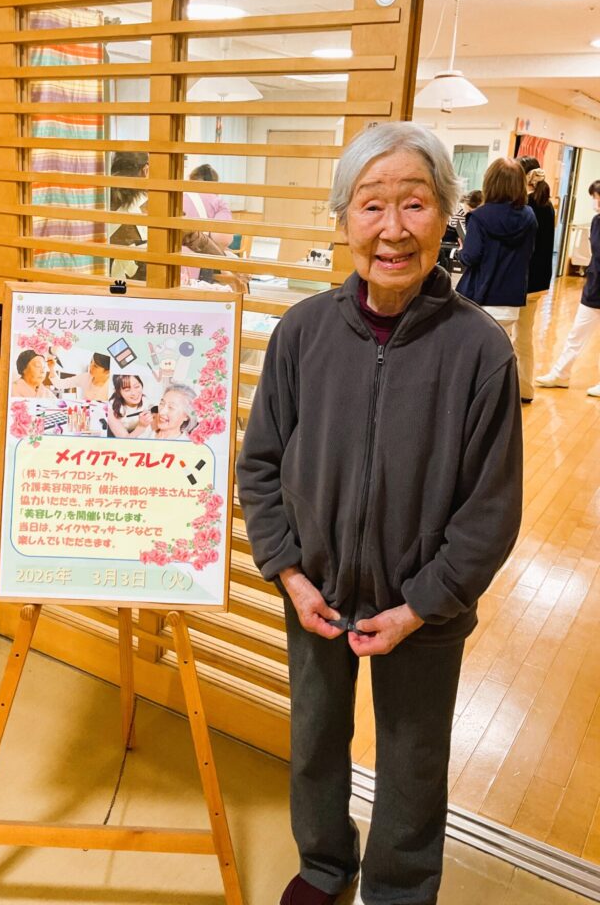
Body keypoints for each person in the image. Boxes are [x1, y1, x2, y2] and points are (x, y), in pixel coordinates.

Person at [236, 122, 523, 905]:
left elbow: (491, 510)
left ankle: (399, 891)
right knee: (313, 739)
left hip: (426, 607)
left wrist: (421, 604)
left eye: (415, 203)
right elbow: (259, 465)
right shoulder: (302, 332)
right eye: (371, 205)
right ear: (343, 220)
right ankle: (324, 866)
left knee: (413, 760)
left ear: (446, 217)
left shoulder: (481, 351)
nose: (393, 229)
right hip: (315, 592)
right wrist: (290, 573)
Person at [456, 158, 537, 335]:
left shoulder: (479, 217)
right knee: (501, 348)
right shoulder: (529, 217)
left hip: (481, 299)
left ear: (490, 182)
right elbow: (529, 253)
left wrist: (461, 251)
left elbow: (470, 257)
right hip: (511, 302)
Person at [536, 179, 600, 397]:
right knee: (576, 333)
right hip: (594, 287)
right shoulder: (597, 221)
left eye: (597, 197)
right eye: (594, 198)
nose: (595, 202)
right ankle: (560, 374)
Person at [512, 169, 556, 402]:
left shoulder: (524, 208)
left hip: (520, 279)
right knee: (524, 337)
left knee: (508, 336)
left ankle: (507, 390)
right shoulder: (547, 206)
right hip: (539, 281)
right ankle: (526, 389)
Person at [108, 151, 149, 281]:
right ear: (145, 171)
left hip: (101, 282)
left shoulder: (99, 200)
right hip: (139, 285)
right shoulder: (154, 205)